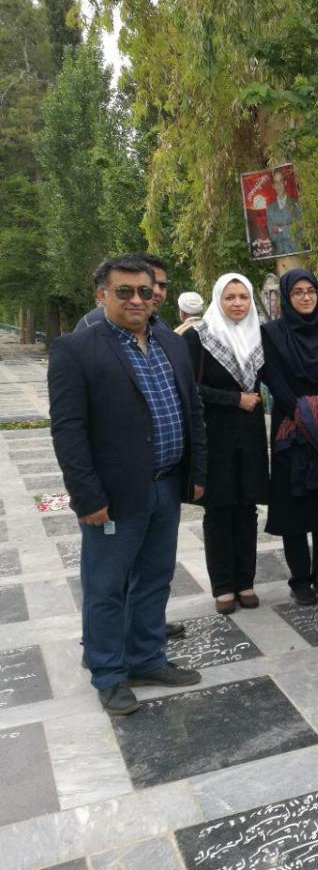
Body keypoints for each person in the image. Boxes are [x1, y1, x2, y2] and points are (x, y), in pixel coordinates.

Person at [49, 255, 206, 715]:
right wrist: (87, 496)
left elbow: (191, 410)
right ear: (101, 295)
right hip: (114, 497)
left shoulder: (170, 343)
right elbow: (69, 431)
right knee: (106, 585)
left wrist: (196, 473)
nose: (138, 299)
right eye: (124, 292)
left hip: (165, 485)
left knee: (156, 578)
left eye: (145, 290)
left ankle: (146, 657)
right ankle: (109, 673)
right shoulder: (76, 350)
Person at [261, 269, 318, 605]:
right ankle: (300, 579)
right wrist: (303, 411)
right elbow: (274, 377)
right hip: (292, 431)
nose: (305, 297)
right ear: (286, 297)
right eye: (297, 292)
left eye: (310, 290)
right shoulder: (271, 333)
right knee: (294, 509)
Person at [183, 274, 269, 613]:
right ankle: (223, 587)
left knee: (246, 509)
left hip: (249, 437)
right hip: (215, 435)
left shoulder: (258, 337)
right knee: (219, 511)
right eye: (230, 297)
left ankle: (245, 582)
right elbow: (190, 388)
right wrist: (234, 399)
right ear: (217, 299)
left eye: (243, 297)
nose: (237, 304)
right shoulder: (198, 338)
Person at [75, 252, 171, 332]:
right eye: (150, 284)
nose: (157, 291)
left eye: (162, 285)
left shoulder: (161, 326)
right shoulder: (92, 324)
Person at [266, 168, 304, 256]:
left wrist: (280, 229)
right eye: (276, 182)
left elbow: (300, 230)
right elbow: (272, 236)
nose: (279, 185)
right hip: (280, 255)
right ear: (273, 186)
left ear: (285, 183)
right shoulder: (270, 209)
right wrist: (290, 229)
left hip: (298, 252)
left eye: (281, 181)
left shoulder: (296, 204)